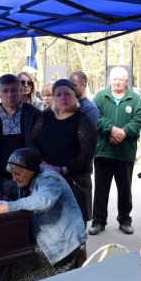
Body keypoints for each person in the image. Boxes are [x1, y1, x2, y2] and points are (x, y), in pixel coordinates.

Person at [0, 148, 87, 281]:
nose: (14, 178)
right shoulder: (28, 180)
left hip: (64, 245)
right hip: (48, 239)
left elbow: (44, 200)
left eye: (17, 174)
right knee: (14, 262)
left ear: (31, 170)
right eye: (12, 174)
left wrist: (7, 207)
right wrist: (4, 199)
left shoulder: (50, 179)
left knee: (20, 273)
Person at [28, 79, 97, 224]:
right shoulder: (45, 116)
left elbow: (87, 154)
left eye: (67, 94)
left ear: (75, 96)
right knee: (49, 224)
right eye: (58, 94)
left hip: (74, 181)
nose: (63, 98)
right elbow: (32, 142)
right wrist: (42, 163)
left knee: (74, 226)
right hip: (46, 177)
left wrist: (62, 169)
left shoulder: (83, 119)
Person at [90, 66, 141, 235]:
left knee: (125, 189)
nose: (117, 82)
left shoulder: (135, 99)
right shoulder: (100, 96)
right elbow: (94, 117)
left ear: (127, 81)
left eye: (121, 79)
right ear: (110, 80)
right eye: (114, 79)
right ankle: (98, 221)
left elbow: (139, 118)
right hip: (103, 152)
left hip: (125, 153)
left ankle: (125, 220)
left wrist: (123, 132)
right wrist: (111, 130)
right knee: (100, 190)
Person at [0, 74, 40, 200]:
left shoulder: (34, 114)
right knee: (2, 219)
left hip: (29, 182)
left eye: (14, 90)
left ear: (20, 91)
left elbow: (41, 147)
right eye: (5, 91)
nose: (10, 95)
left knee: (28, 219)